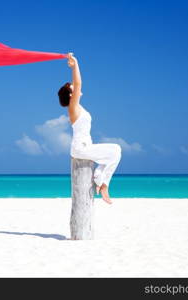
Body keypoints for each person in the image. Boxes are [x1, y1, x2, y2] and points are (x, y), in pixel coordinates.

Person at [58, 53, 122, 204]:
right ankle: (103, 183)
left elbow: (77, 85)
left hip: (85, 146)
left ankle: (100, 178)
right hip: (81, 148)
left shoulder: (78, 107)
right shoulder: (73, 107)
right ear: (71, 94)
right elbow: (78, 83)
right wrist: (76, 65)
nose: (75, 86)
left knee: (114, 153)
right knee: (115, 150)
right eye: (72, 87)